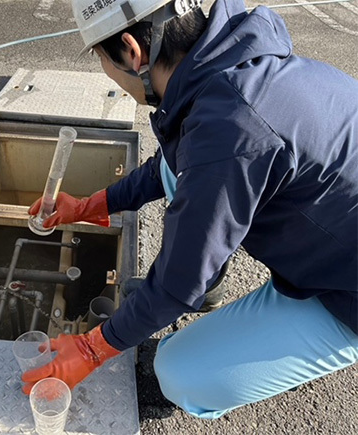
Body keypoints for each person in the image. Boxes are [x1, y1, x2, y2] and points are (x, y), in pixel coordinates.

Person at [23, 0, 358, 419]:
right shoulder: (231, 66)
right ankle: (210, 274)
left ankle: (212, 324)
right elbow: (179, 161)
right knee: (186, 192)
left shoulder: (233, 127)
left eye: (102, 60)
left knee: (180, 371)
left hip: (345, 290)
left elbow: (179, 281)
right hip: (331, 234)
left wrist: (93, 348)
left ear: (131, 51)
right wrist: (92, 205)